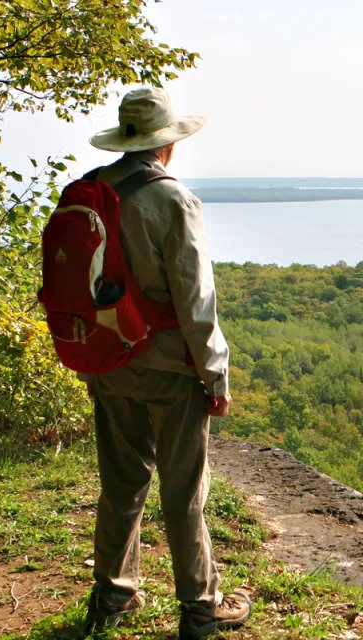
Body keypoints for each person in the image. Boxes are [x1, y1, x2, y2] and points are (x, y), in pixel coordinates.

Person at [78, 86, 249, 639]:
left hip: (107, 358)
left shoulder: (89, 192)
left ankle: (111, 595)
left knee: (121, 483)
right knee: (183, 492)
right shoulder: (172, 199)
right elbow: (195, 301)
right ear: (167, 145)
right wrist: (215, 373)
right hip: (171, 367)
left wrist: (88, 359)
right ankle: (200, 608)